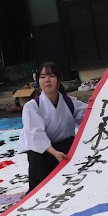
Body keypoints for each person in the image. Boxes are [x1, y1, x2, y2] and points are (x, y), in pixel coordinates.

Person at [19, 62, 87, 191]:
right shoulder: (32, 106)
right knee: (36, 156)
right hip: (44, 152)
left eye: (51, 76)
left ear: (59, 79)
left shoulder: (70, 102)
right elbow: (36, 135)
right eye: (43, 77)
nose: (47, 80)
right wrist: (54, 152)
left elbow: (89, 116)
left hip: (65, 147)